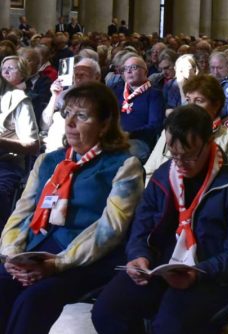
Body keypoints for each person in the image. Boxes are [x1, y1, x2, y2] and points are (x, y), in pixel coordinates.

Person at [92, 105, 228, 334]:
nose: (179, 163)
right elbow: (142, 224)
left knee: (170, 325)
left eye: (188, 155)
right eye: (173, 154)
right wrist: (138, 255)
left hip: (211, 274)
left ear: (209, 143)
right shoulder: (164, 174)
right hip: (161, 266)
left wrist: (200, 272)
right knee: (107, 310)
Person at [0, 82, 144, 333]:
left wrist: (57, 263)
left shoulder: (124, 166)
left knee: (32, 299)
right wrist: (11, 253)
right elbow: (22, 211)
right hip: (34, 250)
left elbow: (109, 230)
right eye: (67, 114)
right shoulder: (49, 161)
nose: (70, 123)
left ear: (105, 124)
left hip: (83, 259)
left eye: (82, 116)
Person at [145, 74, 228, 181]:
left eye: (199, 100)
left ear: (216, 105)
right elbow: (149, 172)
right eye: (188, 100)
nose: (191, 106)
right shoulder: (170, 132)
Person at [0, 56, 40, 227]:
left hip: (7, 164)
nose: (6, 72)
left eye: (11, 68)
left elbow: (33, 146)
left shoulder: (18, 100)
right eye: (4, 68)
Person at [110, 55, 165, 162]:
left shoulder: (154, 94)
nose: (129, 71)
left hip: (139, 140)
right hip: (115, 138)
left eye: (134, 67)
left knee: (119, 157)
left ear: (145, 72)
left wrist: (129, 134)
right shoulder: (116, 90)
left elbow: (155, 125)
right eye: (125, 69)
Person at [42, 58, 102, 153]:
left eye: (82, 75)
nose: (77, 78)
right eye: (75, 75)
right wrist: (54, 96)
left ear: (97, 77)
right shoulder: (63, 93)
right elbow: (44, 124)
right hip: (53, 148)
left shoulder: (103, 98)